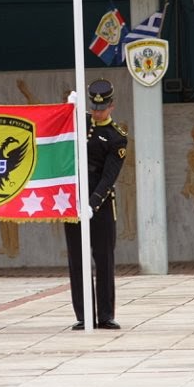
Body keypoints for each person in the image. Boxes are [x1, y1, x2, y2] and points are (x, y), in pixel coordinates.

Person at [64, 78, 128, 330]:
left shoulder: (117, 138)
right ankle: (84, 315)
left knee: (103, 261)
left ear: (111, 106)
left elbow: (108, 177)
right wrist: (67, 112)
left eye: (102, 108)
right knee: (77, 261)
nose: (97, 112)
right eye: (94, 107)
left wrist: (92, 204)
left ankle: (105, 314)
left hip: (99, 207)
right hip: (74, 205)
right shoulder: (79, 127)